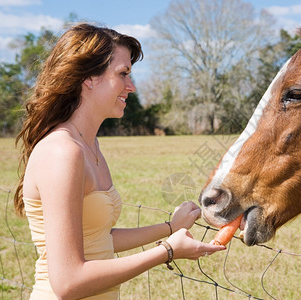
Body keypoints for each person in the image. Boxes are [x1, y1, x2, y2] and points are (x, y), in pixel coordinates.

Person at [13, 23, 225, 300]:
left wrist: (170, 228)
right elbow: (68, 283)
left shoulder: (89, 146)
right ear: (89, 78)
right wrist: (168, 251)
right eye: (123, 74)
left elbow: (98, 238)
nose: (131, 86)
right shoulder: (63, 152)